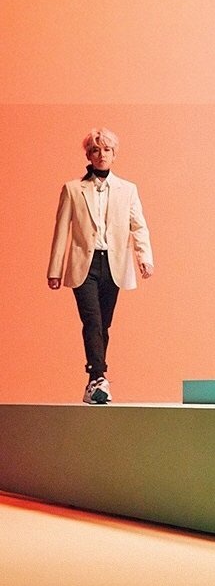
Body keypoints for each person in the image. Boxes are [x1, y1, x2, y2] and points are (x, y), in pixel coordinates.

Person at [48, 128, 154, 404]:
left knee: (103, 324)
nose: (102, 155)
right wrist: (55, 270)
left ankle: (93, 384)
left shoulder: (128, 190)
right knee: (92, 320)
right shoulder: (73, 189)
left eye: (107, 150)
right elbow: (61, 230)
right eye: (96, 150)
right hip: (84, 263)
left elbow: (138, 226)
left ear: (114, 154)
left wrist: (144, 258)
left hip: (113, 264)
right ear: (88, 155)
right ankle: (98, 376)